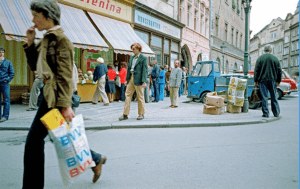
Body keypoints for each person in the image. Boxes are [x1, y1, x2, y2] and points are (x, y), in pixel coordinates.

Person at [22, 1, 106, 188]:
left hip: (54, 98)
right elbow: (36, 66)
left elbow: (65, 76)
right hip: (48, 95)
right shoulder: (46, 39)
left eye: (36, 15)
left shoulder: (61, 40)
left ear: (48, 16)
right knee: (60, 137)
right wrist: (30, 43)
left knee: (34, 142)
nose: (33, 19)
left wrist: (65, 105)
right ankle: (96, 159)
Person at [119, 43, 147, 121]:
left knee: (140, 96)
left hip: (139, 79)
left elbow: (145, 70)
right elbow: (128, 69)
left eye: (134, 49)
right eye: (132, 49)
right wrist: (126, 79)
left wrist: (144, 81)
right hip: (131, 78)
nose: (133, 50)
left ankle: (141, 114)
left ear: (138, 49)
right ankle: (125, 114)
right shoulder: (131, 58)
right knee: (127, 95)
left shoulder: (143, 57)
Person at [254, 44, 282, 118]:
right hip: (273, 80)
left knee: (264, 97)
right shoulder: (275, 58)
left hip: (262, 80)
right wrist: (278, 80)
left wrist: (256, 80)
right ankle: (276, 113)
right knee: (274, 96)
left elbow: (256, 70)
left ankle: (266, 113)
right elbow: (279, 71)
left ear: (264, 50)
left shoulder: (260, 58)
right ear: (271, 50)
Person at [0, 47, 15, 122]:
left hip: (4, 83)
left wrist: (7, 80)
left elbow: (12, 73)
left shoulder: (8, 62)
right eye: (0, 52)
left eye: (2, 52)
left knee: (6, 100)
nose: (1, 53)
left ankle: (5, 116)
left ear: (4, 53)